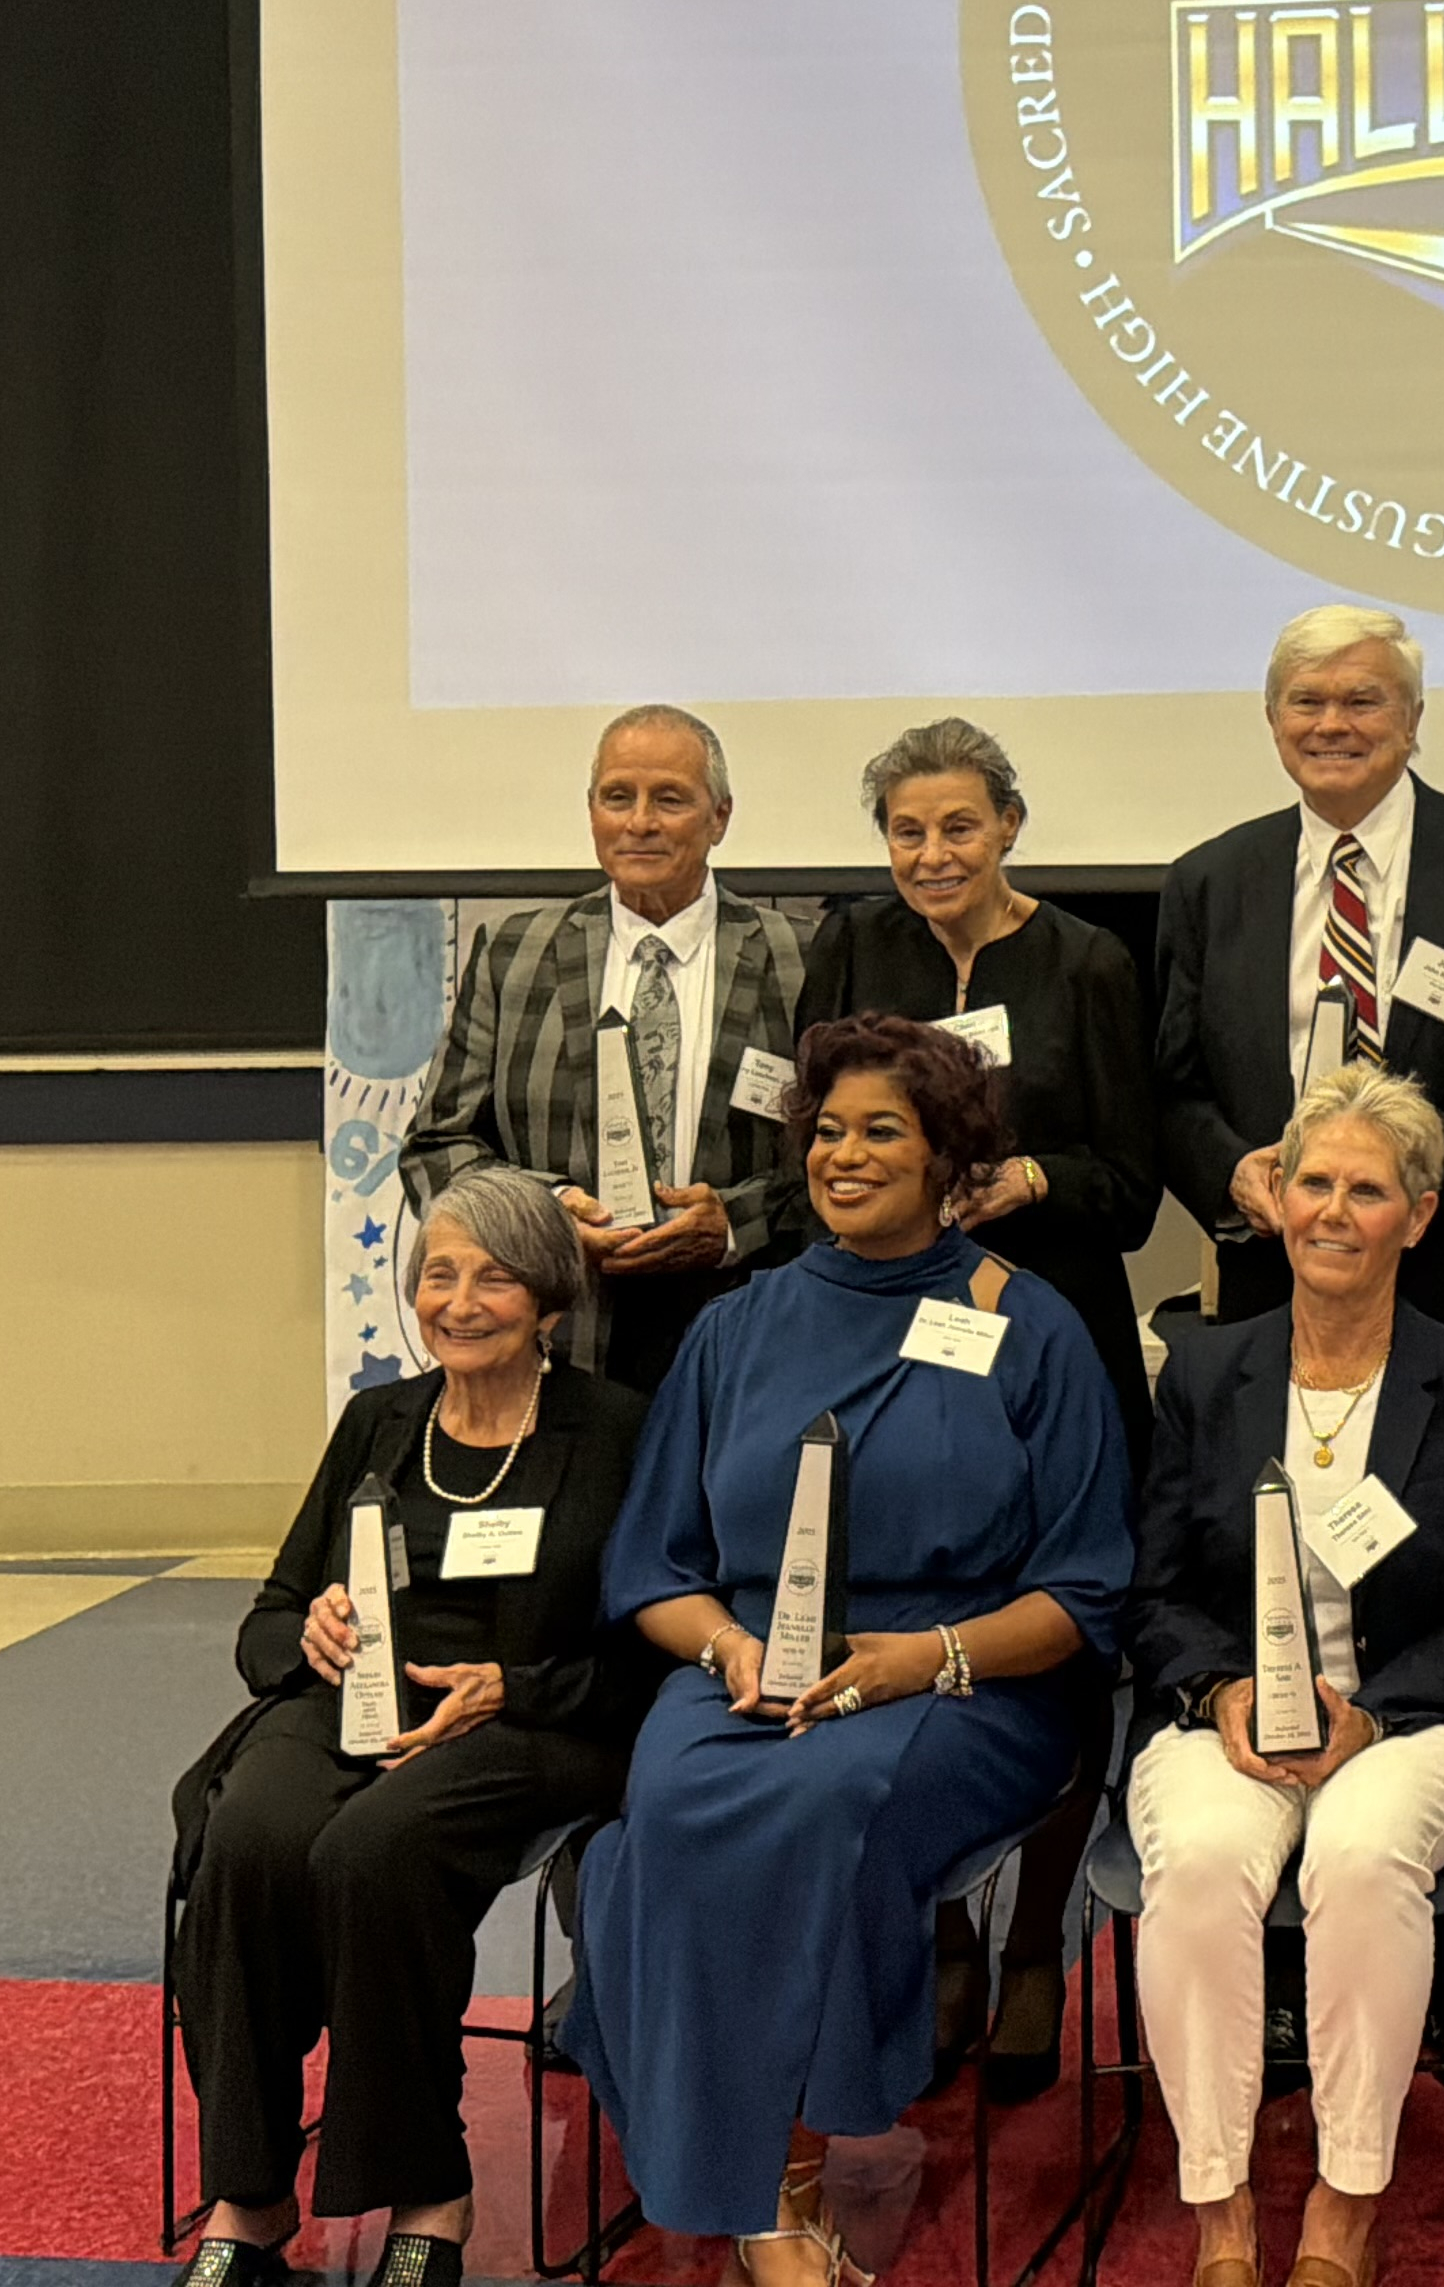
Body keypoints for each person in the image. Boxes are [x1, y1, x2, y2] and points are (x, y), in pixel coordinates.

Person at [564, 1013, 1133, 2281]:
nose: (846, 1155)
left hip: (966, 1679)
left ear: (947, 1158)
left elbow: (1085, 1590)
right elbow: (655, 1569)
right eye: (827, 1132)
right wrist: (727, 1652)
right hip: (753, 1668)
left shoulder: (1030, 1325)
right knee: (669, 1803)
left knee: (824, 1805)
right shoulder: (733, 1327)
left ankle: (776, 2182)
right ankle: (768, 2195)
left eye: (884, 1131)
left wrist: (922, 1659)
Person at [169, 1166, 661, 2287]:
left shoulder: (615, 1430)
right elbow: (268, 1619)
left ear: (547, 1298)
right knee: (247, 1832)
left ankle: (428, 2188)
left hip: (530, 1712)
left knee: (371, 1851)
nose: (460, 1301)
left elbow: (645, 1647)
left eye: (494, 1277)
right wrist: (315, 1635)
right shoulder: (379, 1421)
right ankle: (247, 2197)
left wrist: (513, 1687)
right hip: (352, 1702)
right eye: (439, 1274)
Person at [1124, 1065, 1444, 2287]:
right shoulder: (1209, 1374)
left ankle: (1342, 2201)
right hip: (1230, 1718)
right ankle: (1219, 2214)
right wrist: (1220, 1698)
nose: (1330, 1211)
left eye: (1366, 1190)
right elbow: (1155, 1596)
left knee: (1362, 1852)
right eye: (1312, 1180)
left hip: (1417, 1715)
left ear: (1418, 1216)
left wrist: (1364, 1717)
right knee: (1204, 1859)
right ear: (1278, 1197)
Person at [798, 716, 1164, 2096]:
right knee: (907, 1587)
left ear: (1009, 824)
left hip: (1046, 1331)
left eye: (958, 826)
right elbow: (818, 1120)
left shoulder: (1087, 962)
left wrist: (1034, 1183)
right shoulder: (856, 951)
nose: (932, 853)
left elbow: (1134, 1183)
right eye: (906, 830)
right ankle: (948, 1930)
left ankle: (1036, 1951)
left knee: (1054, 1624)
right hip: (890, 1325)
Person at [1153, 602, 1444, 1387]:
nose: (1331, 724)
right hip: (1277, 1299)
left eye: (1361, 701)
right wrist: (1235, 1171)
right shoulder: (1210, 882)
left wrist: (1408, 1166)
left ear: (1412, 720)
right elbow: (1174, 1091)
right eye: (1307, 701)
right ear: (1273, 720)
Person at [403, 704, 814, 1391]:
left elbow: (837, 1160)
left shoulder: (801, 958)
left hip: (743, 1325)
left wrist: (735, 1223)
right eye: (617, 797)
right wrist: (546, 1214)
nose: (640, 822)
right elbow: (436, 1148)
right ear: (591, 811)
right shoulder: (514, 954)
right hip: (557, 1333)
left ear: (720, 817)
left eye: (670, 800)